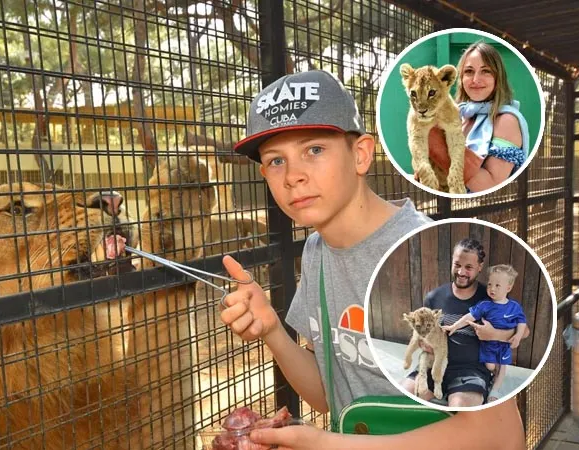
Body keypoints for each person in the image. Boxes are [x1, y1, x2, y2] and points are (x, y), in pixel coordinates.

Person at [219, 70, 527, 450]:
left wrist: (328, 444)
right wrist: (272, 332)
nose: (293, 176)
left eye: (314, 150)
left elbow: (500, 434)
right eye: (275, 161)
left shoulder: (424, 252)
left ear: (361, 154)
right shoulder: (316, 252)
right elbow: (331, 395)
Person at [401, 239, 531, 407]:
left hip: (471, 370)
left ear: (480, 267)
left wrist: (495, 334)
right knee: (404, 398)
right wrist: (422, 343)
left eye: (468, 267)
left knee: (460, 406)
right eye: (457, 265)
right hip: (434, 364)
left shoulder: (491, 296)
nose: (461, 272)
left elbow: (525, 331)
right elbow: (419, 332)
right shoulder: (434, 297)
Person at [426, 41, 531, 193]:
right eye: (469, 71)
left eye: (485, 71)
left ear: (497, 77)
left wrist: (437, 143)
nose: (476, 80)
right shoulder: (460, 115)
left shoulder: (506, 120)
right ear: (461, 78)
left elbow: (490, 185)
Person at [442, 264, 528, 403]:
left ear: (509, 288)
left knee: (501, 366)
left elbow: (522, 322)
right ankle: (492, 378)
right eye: (490, 284)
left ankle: (495, 390)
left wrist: (517, 336)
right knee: (490, 366)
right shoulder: (484, 305)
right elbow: (469, 316)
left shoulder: (514, 307)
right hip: (488, 345)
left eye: (497, 285)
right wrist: (454, 326)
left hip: (504, 345)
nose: (492, 288)